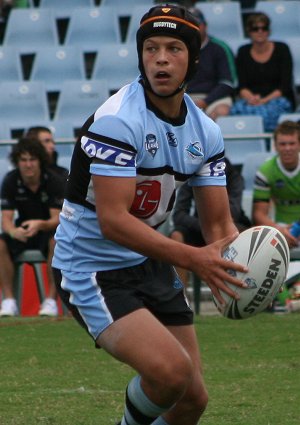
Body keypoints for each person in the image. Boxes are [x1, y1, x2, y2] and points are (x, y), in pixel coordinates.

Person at [52, 5, 248, 425]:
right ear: (140, 56)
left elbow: (218, 225)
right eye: (151, 48)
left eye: (174, 48)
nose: (161, 58)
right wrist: (193, 258)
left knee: (191, 398)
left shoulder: (206, 131)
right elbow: (114, 221)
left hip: (150, 264)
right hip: (91, 268)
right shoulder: (117, 120)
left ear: (192, 60)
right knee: (169, 375)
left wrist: (246, 261)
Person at [0, 138, 64, 317]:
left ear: (40, 161)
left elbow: (58, 219)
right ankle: (8, 300)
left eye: (32, 159)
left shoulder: (53, 181)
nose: (28, 165)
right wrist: (13, 231)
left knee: (56, 241)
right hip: (23, 231)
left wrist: (40, 224)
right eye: (23, 160)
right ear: (17, 162)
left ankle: (51, 301)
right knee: (1, 242)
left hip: (48, 230)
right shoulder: (11, 180)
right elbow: (6, 220)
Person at [170, 158, 251, 288]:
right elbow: (178, 215)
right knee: (177, 236)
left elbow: (233, 213)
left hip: (229, 227)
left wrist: (213, 225)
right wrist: (204, 225)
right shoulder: (194, 171)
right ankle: (180, 294)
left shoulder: (233, 175)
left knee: (238, 235)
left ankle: (237, 289)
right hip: (199, 228)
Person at [230, 12, 294, 132]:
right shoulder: (243, 52)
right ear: (249, 31)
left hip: (277, 99)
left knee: (267, 114)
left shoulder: (282, 49)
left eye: (264, 28)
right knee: (235, 111)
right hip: (251, 100)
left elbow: (285, 85)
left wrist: (264, 100)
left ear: (269, 31)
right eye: (255, 28)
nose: (260, 31)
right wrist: (252, 99)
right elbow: (242, 85)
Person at [252, 120, 300, 248]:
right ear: (275, 146)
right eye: (283, 144)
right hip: (280, 229)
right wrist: (278, 229)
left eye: (292, 143)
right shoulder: (265, 171)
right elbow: (258, 214)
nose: (287, 148)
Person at [186, 7, 236, 121]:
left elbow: (228, 82)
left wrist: (205, 102)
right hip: (186, 97)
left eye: (198, 24)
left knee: (222, 111)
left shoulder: (220, 48)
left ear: (205, 25)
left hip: (214, 98)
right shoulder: (178, 49)